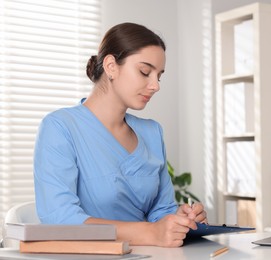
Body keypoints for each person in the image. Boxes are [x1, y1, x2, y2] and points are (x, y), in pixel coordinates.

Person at [33, 22, 207, 247]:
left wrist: (180, 221)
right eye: (145, 72)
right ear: (111, 66)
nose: (155, 85)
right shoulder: (60, 127)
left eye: (159, 76)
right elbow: (59, 219)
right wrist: (149, 233)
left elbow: (161, 211)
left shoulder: (152, 132)